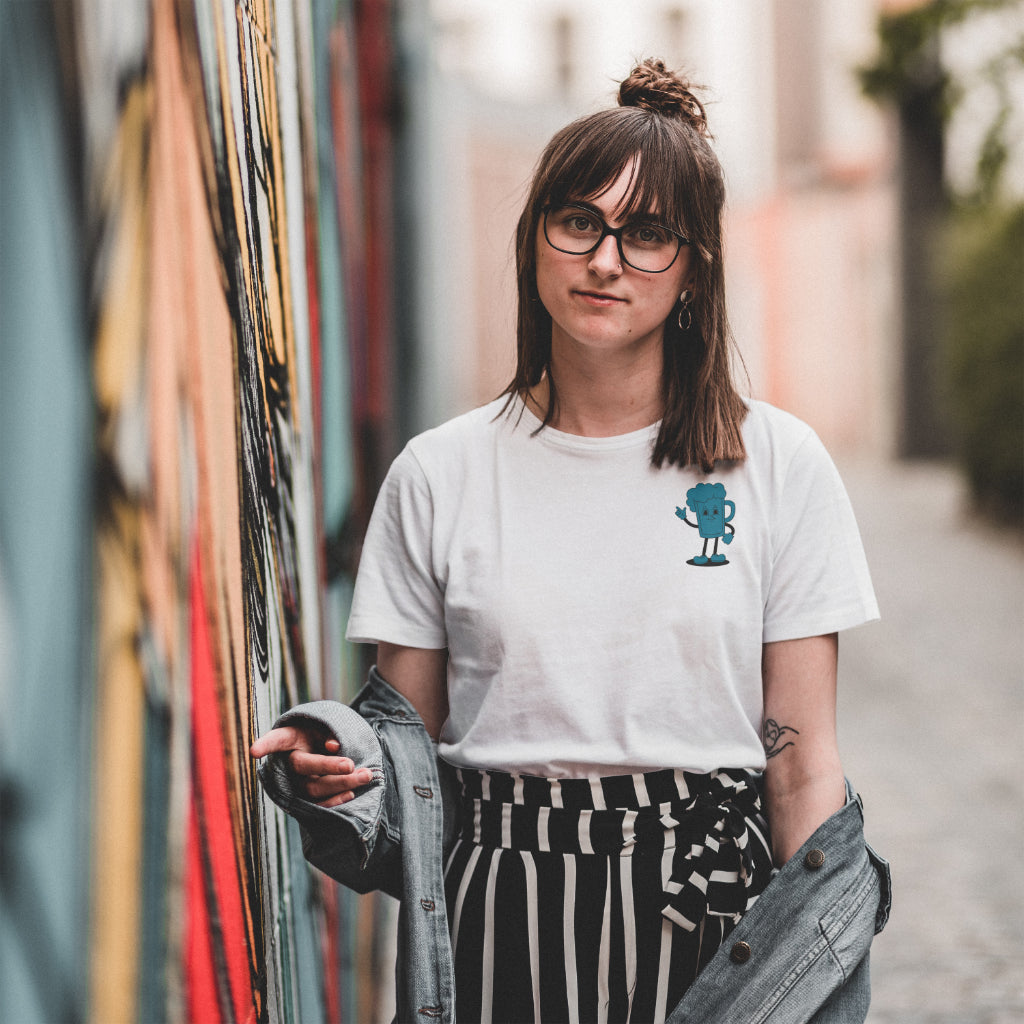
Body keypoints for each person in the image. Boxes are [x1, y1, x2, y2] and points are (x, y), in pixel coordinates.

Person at [251, 58, 886, 1023]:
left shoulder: (780, 465)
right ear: (536, 238)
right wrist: (336, 760)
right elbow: (403, 748)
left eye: (648, 235)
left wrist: (818, 970)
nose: (605, 261)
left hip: (715, 920)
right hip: (498, 915)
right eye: (580, 222)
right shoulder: (440, 474)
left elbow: (801, 765)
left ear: (695, 268)